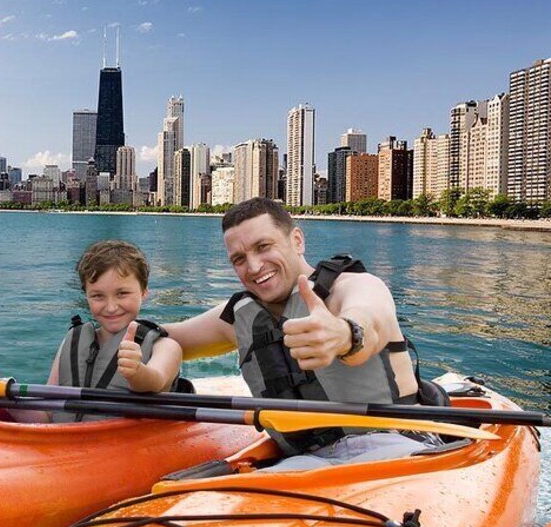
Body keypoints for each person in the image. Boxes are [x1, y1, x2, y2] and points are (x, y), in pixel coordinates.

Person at [164, 197, 445, 471]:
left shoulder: (353, 286)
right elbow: (169, 338)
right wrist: (123, 312)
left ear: (297, 241)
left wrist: (344, 335)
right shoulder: (237, 316)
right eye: (239, 259)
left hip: (394, 446)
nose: (254, 267)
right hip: (304, 462)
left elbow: (370, 320)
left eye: (263, 247)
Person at [16, 240, 183, 423]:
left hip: (127, 447)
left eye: (122, 293)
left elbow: (157, 380)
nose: (111, 307)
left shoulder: (166, 347)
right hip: (67, 444)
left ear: (144, 292)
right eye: (98, 296)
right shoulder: (72, 341)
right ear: (86, 296)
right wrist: (2, 398)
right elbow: (47, 413)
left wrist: (137, 372)